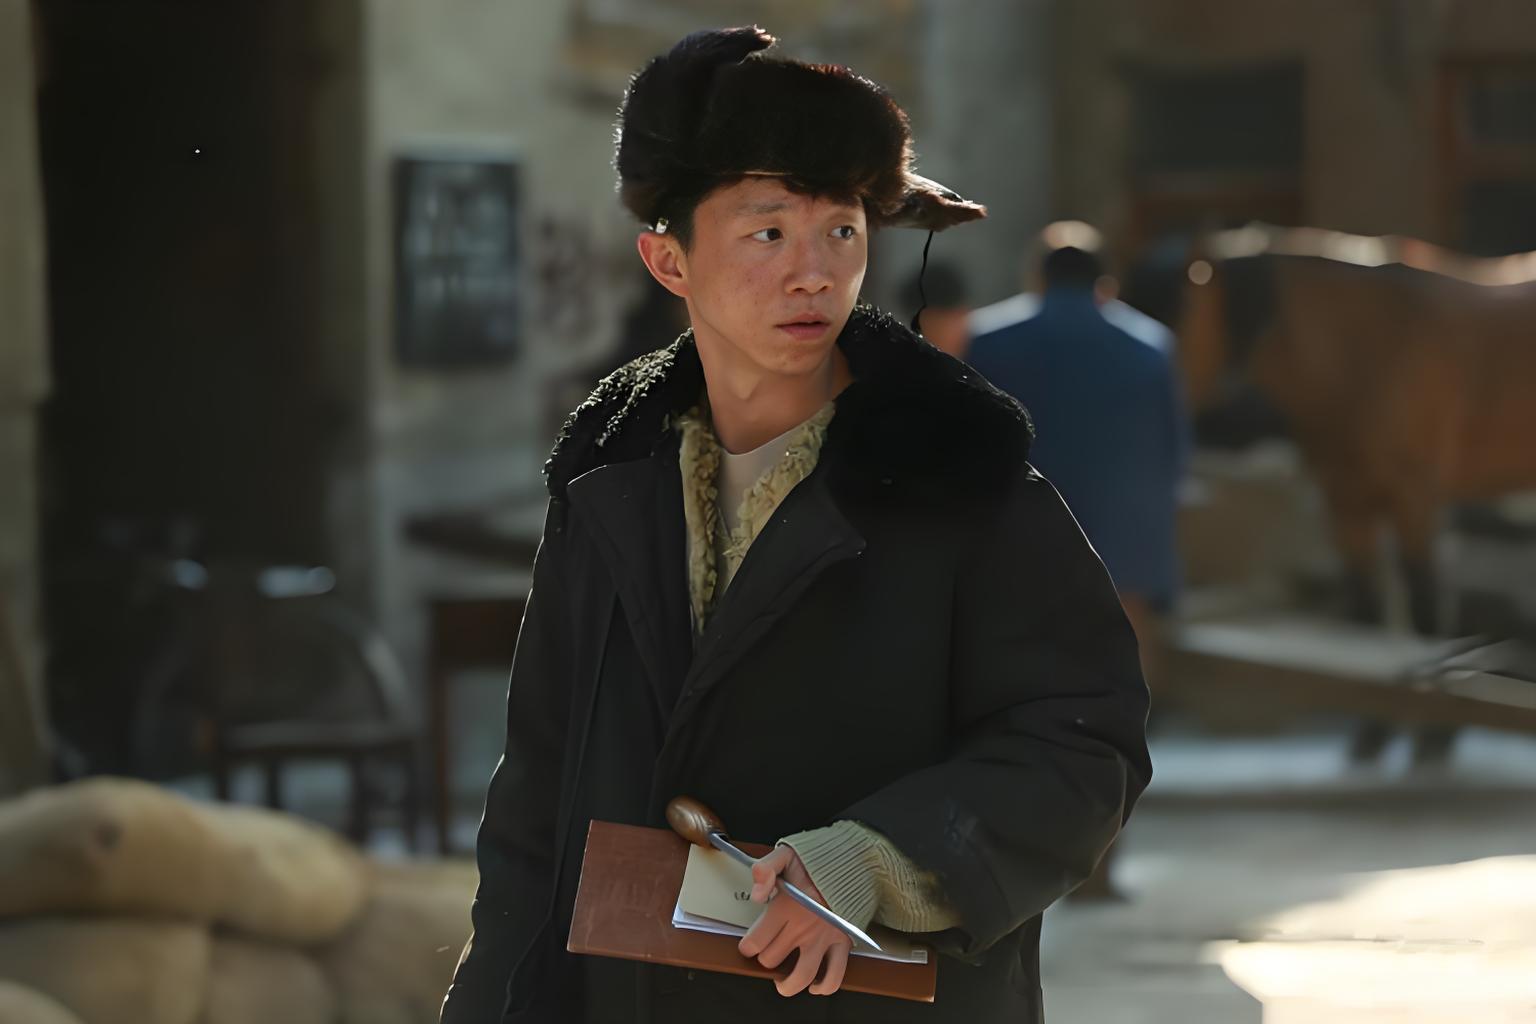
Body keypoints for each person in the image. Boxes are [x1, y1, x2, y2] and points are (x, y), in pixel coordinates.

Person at [441, 27, 1150, 1023]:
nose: (813, 272)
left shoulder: (961, 478)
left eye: (843, 231)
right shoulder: (608, 482)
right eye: (768, 232)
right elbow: (535, 804)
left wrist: (871, 859)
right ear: (669, 259)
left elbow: (1082, 745)